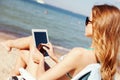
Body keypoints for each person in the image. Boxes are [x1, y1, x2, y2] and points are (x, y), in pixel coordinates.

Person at [1, 4, 120, 80]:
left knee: (33, 42)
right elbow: (76, 74)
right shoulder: (107, 61)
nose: (85, 23)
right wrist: (54, 57)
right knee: (24, 54)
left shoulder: (79, 53)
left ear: (98, 26)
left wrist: (42, 60)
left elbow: (41, 79)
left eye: (88, 20)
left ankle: (10, 47)